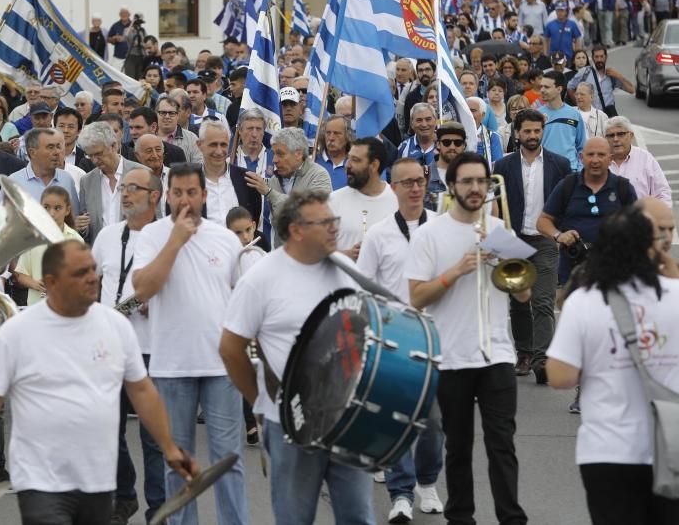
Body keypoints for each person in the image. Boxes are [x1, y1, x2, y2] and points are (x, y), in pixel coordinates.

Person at [0, 241, 198, 523]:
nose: (92, 277)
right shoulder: (16, 332)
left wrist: (170, 449)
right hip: (40, 480)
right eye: (80, 273)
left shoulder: (116, 326)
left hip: (99, 479)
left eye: (92, 269)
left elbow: (142, 391)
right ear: (50, 282)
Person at [220, 189, 375, 524]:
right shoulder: (260, 279)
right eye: (326, 222)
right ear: (296, 230)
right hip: (290, 423)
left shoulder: (346, 268)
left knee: (359, 517)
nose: (335, 228)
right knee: (294, 518)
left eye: (335, 220)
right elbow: (231, 348)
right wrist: (262, 399)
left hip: (347, 418)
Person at [408, 152, 531, 525]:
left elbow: (524, 293)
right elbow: (416, 297)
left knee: (502, 446)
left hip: (497, 356)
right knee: (458, 448)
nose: (476, 189)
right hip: (451, 357)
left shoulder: (499, 230)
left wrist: (502, 259)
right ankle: (461, 517)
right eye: (468, 182)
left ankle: (512, 518)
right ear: (452, 186)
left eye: (482, 182)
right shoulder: (429, 233)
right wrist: (456, 271)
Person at [131, 164, 249, 525]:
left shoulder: (226, 240)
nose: (185, 200)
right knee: (178, 463)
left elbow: (241, 300)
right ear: (166, 196)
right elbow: (142, 290)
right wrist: (175, 241)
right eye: (177, 193)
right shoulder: (152, 236)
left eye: (191, 193)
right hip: (171, 367)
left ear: (204, 195)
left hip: (221, 367)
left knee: (228, 461)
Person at [547, 207, 679, 524]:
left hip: (607, 451)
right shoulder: (675, 295)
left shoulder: (585, 301)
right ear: (652, 246)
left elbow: (560, 377)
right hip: (670, 447)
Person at [355, 158, 444, 520]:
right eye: (406, 183)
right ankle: (401, 493)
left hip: (435, 335)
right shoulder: (378, 233)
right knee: (396, 419)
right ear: (393, 188)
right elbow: (364, 285)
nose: (415, 188)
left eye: (419, 181)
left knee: (434, 420)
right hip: (393, 336)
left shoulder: (440, 225)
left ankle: (427, 481)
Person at [91, 168, 166, 524]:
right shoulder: (107, 236)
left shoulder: (168, 237)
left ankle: (159, 509)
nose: (125, 193)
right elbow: (92, 284)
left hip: (152, 349)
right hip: (110, 347)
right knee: (107, 430)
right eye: (124, 187)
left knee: (153, 439)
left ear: (154, 196)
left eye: (134, 188)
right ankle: (124, 495)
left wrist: (161, 298)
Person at [493, 109, 572, 381]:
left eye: (537, 131)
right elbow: (496, 206)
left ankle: (541, 360)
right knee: (518, 301)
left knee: (543, 301)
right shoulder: (503, 166)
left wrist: (561, 234)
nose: (532, 136)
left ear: (542, 131)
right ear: (517, 133)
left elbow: (565, 203)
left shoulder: (559, 164)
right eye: (526, 131)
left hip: (546, 240)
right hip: (514, 239)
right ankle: (524, 354)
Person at [537, 137, 638, 285]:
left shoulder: (623, 188)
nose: (595, 160)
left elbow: (639, 226)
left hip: (615, 271)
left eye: (601, 155)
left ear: (610, 159)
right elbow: (542, 221)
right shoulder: (567, 185)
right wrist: (559, 235)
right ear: (581, 158)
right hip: (573, 272)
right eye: (590, 155)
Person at [244, 127, 332, 247]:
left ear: (298, 154)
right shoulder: (275, 180)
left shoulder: (319, 175)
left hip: (311, 256)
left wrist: (270, 193)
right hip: (283, 256)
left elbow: (312, 215)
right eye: (273, 153)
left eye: (280, 154)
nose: (274, 160)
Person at [77, 122, 148, 243]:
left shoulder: (143, 174)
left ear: (114, 146)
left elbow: (156, 219)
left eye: (99, 154)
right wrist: (81, 228)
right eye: (90, 156)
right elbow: (88, 228)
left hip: (135, 251)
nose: (94, 161)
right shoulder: (86, 181)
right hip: (101, 255)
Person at [329, 137, 397, 259]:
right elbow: (315, 250)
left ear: (374, 165)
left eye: (355, 160)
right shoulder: (333, 200)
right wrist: (347, 255)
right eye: (348, 158)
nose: (347, 165)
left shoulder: (398, 201)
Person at [15, 186, 84, 305]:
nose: (51, 213)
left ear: (67, 210)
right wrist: (35, 284)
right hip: (37, 307)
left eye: (58, 208)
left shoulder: (76, 240)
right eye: (46, 207)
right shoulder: (32, 239)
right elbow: (20, 274)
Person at [196, 119, 261, 225]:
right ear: (199, 145)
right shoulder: (187, 182)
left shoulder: (247, 180)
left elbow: (253, 220)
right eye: (213, 145)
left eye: (223, 145)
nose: (219, 151)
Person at [9, 127, 81, 214]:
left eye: (59, 146)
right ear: (32, 152)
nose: (57, 152)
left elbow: (74, 216)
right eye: (50, 147)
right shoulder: (13, 182)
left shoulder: (66, 179)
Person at [605, 116, 673, 206]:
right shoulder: (600, 160)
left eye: (620, 134)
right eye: (611, 135)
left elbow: (662, 193)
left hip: (640, 218)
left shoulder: (645, 159)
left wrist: (658, 217)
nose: (615, 139)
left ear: (631, 136)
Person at [565, 45, 634, 117]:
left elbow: (631, 90)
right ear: (592, 58)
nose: (599, 60)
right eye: (596, 57)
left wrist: (619, 76)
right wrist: (578, 104)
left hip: (608, 116)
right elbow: (570, 87)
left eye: (601, 56)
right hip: (590, 115)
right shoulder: (585, 72)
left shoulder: (612, 74)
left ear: (606, 57)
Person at [537, 73, 587, 171]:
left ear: (559, 89)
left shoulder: (574, 114)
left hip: (570, 171)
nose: (542, 90)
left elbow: (582, 147)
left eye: (546, 87)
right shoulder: (536, 115)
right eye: (541, 86)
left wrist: (580, 170)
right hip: (545, 171)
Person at [315, 114, 350, 190]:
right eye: (328, 133)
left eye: (337, 133)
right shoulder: (312, 161)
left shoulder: (354, 163)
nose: (331, 138)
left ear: (347, 136)